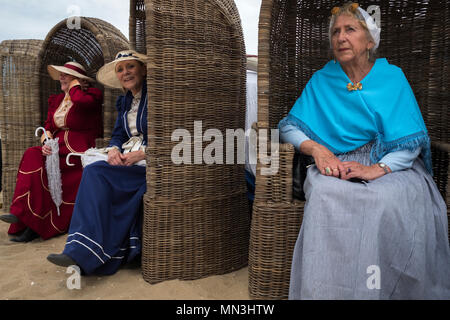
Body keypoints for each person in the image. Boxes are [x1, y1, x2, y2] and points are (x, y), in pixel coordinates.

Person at [279, 2, 450, 299]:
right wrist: (317, 150)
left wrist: (376, 169)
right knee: (324, 195)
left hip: (391, 162)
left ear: (369, 41)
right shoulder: (322, 79)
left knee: (385, 199)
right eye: (335, 32)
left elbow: (409, 142)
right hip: (335, 159)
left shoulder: (392, 77)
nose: (341, 38)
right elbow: (288, 127)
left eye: (350, 30)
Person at [47, 50, 148, 276]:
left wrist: (144, 154)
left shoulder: (157, 98)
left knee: (95, 174)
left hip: (149, 165)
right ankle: (82, 250)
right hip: (126, 160)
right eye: (120, 69)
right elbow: (118, 135)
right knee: (95, 170)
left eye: (130, 67)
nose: (125, 73)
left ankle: (83, 250)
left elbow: (171, 136)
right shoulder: (125, 102)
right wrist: (113, 149)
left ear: (143, 69)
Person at [0, 62, 103, 242]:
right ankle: (25, 215)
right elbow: (48, 125)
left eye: (66, 74)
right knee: (33, 154)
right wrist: (46, 141)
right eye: (61, 74)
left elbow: (80, 102)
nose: (61, 77)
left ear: (78, 80)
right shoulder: (56, 100)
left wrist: (74, 87)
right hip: (56, 146)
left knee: (55, 169)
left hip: (77, 151)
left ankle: (34, 224)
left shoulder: (91, 95)